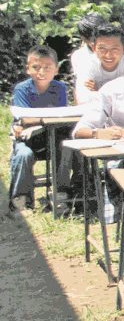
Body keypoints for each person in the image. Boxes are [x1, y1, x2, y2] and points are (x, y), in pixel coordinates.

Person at [8, 45, 71, 212]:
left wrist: (37, 121)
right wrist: (40, 120)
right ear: (28, 69)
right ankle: (21, 199)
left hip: (53, 136)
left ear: (56, 69)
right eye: (35, 67)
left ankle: (60, 193)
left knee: (65, 148)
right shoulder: (22, 89)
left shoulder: (60, 88)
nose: (41, 72)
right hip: (27, 139)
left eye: (47, 67)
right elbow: (25, 118)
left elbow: (61, 117)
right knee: (23, 155)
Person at [74, 22, 124, 105]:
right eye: (102, 49)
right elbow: (83, 99)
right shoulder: (86, 64)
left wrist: (99, 91)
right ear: (93, 48)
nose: (108, 55)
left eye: (114, 49)